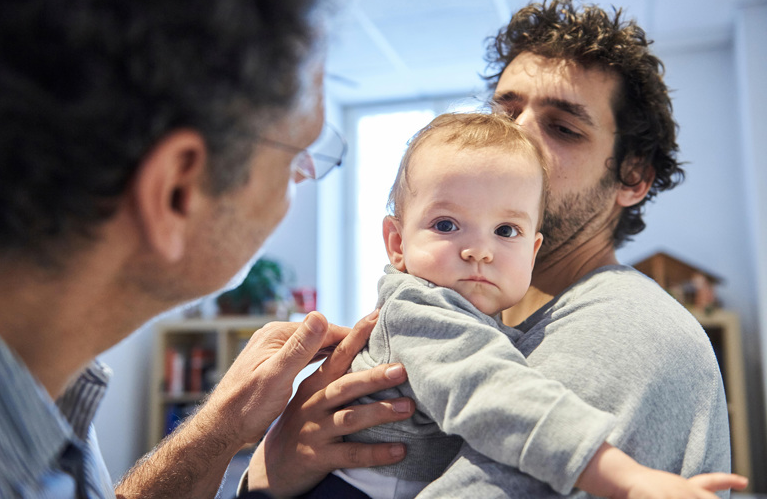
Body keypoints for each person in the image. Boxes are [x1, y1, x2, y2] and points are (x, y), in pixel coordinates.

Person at [246, 0, 746, 498]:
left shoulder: (623, 325)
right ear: (396, 240)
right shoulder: (467, 303)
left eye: (563, 127)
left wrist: (266, 479)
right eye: (507, 112)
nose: (519, 137)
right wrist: (275, 468)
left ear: (633, 176)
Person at [0, 0, 418, 498]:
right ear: (178, 191)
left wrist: (221, 429)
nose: (301, 178)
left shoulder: (38, 380)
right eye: (296, 155)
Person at [306, 112, 743, 499]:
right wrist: (624, 477)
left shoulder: (617, 313)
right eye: (446, 224)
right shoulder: (418, 308)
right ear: (398, 244)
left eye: (506, 231)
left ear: (533, 250)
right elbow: (498, 397)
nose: (479, 251)